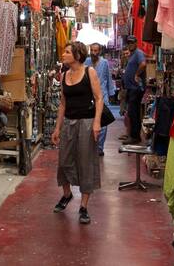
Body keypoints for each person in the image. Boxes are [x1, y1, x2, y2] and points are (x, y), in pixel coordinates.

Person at [52, 41, 105, 224]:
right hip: (68, 123)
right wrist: (58, 127)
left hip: (86, 123)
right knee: (64, 161)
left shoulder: (89, 72)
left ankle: (83, 207)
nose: (64, 55)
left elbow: (99, 99)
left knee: (85, 162)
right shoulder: (64, 74)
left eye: (67, 52)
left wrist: (97, 122)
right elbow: (63, 103)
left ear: (77, 55)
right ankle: (67, 195)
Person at [84, 43, 116, 156]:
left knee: (103, 122)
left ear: (99, 51)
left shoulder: (104, 63)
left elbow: (108, 77)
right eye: (92, 50)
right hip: (89, 96)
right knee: (90, 121)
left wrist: (111, 92)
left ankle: (100, 147)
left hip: (102, 95)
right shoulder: (86, 62)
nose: (94, 53)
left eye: (96, 50)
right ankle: (91, 146)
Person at [120, 36, 147, 145]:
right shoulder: (132, 55)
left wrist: (136, 74)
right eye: (129, 43)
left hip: (136, 88)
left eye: (132, 43)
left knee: (133, 112)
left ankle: (135, 137)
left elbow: (143, 64)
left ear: (136, 43)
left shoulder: (138, 53)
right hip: (131, 88)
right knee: (132, 112)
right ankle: (132, 134)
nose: (130, 44)